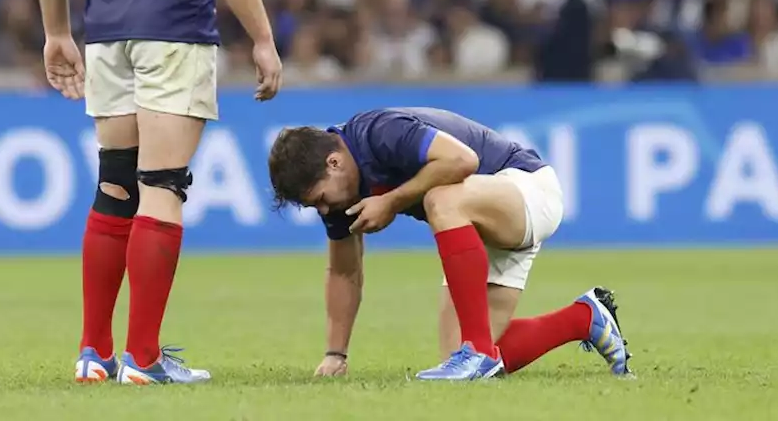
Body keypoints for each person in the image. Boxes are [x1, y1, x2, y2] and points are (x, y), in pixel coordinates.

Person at [36, 0, 283, 386]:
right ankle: (143, 358)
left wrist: (56, 32)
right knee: (162, 187)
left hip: (106, 29)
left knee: (114, 185)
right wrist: (261, 34)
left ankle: (95, 352)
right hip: (172, 23)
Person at [267, 107, 632, 381]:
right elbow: (345, 271)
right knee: (465, 359)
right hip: (476, 223)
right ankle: (585, 318)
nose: (323, 209)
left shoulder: (380, 133)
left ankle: (477, 351)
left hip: (524, 188)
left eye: (319, 198)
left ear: (333, 162)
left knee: (440, 199)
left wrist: (391, 201)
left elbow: (463, 160)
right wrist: (336, 354)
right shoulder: (339, 194)